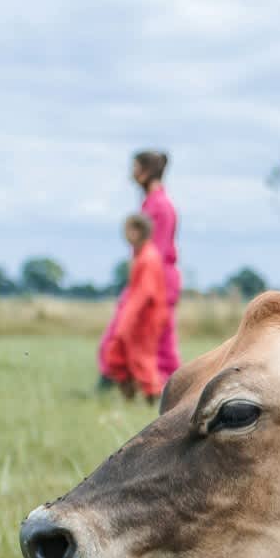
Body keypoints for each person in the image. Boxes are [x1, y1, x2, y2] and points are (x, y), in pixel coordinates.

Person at [100, 151, 181, 386]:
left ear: (146, 171)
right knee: (150, 343)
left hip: (157, 282)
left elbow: (156, 252)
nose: (131, 175)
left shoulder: (160, 207)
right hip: (151, 279)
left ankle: (170, 394)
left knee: (153, 344)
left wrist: (138, 290)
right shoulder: (151, 203)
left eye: (135, 168)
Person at [99, 214, 173, 402]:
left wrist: (126, 320)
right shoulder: (142, 255)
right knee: (117, 357)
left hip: (144, 320)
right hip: (137, 317)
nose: (125, 235)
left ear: (138, 231)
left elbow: (144, 293)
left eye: (129, 230)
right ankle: (131, 397)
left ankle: (154, 398)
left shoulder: (148, 257)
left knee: (142, 361)